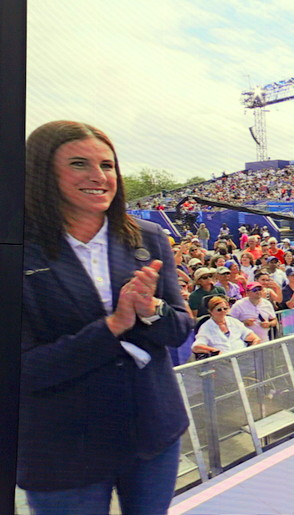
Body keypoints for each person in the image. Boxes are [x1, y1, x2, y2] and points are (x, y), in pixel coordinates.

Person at [20, 121, 194, 514]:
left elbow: (179, 328)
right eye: (79, 164)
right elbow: (25, 368)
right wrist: (114, 325)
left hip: (152, 431)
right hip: (62, 446)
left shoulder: (147, 238)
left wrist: (151, 311)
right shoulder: (19, 248)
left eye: (108, 165)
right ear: (41, 171)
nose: (99, 177)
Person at [192, 296, 261, 355]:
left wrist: (252, 349)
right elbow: (196, 346)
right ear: (210, 311)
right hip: (222, 363)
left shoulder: (234, 321)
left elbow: (253, 337)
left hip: (243, 358)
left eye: (225, 309)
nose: (223, 311)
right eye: (219, 310)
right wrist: (215, 351)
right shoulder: (206, 327)